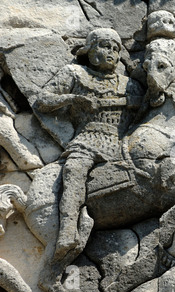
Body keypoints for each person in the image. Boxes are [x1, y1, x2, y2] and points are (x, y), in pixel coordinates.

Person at [35, 28, 144, 260]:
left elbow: (146, 113)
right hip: (87, 138)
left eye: (116, 49)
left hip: (120, 143)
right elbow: (43, 100)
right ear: (90, 49)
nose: (111, 53)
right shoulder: (75, 74)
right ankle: (67, 230)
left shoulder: (129, 85)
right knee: (74, 170)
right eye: (105, 46)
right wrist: (74, 99)